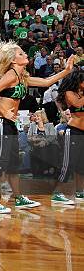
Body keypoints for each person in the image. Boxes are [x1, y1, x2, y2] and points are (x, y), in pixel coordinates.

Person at [0, 42, 74, 212]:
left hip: (10, 124)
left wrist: (66, 70)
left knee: (13, 164)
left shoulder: (21, 77)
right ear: (13, 60)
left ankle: (18, 198)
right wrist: (4, 111)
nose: (25, 54)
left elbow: (46, 82)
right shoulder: (10, 75)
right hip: (1, 122)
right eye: (21, 53)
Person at [53, 70, 84, 204]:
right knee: (67, 164)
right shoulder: (69, 93)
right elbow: (78, 104)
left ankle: (80, 191)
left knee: (81, 165)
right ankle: (57, 193)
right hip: (74, 132)